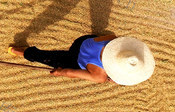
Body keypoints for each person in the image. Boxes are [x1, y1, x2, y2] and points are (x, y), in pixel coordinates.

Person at [9, 35, 154, 85]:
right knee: (49, 58)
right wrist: (59, 72)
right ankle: (22, 51)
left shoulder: (113, 39)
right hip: (75, 59)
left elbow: (103, 38)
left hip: (82, 42)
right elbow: (71, 72)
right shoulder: (100, 76)